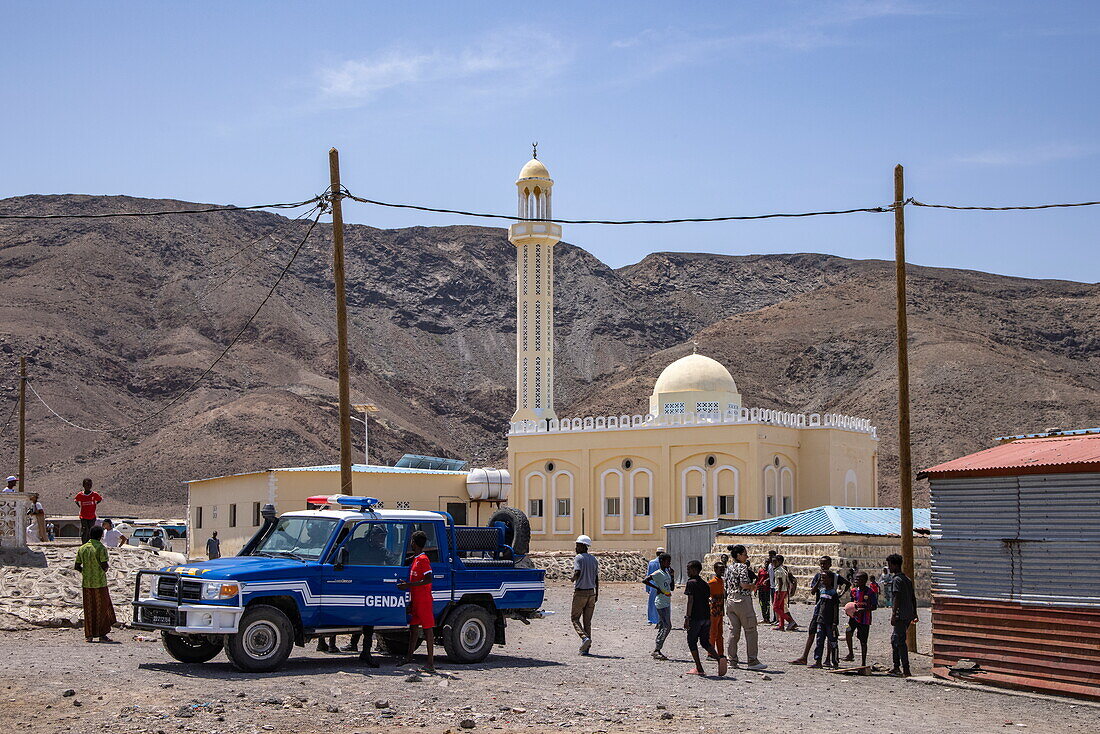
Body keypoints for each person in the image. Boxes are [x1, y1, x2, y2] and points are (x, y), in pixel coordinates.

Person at [791, 556, 850, 665]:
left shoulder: (834, 577)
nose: (823, 566)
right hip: (819, 609)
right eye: (821, 564)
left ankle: (827, 659)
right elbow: (813, 592)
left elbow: (848, 584)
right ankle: (806, 657)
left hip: (830, 611)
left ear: (830, 564)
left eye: (825, 564)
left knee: (829, 635)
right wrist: (819, 580)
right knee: (814, 632)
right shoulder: (819, 577)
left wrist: (840, 595)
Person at [397, 530, 436, 672]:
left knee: (427, 630)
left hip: (424, 600)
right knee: (413, 629)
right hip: (416, 600)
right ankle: (408, 657)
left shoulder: (423, 559)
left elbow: (428, 579)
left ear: (414, 542)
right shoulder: (416, 558)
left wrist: (408, 585)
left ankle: (431, 663)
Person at [723, 544, 767, 670]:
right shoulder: (742, 567)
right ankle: (752, 661)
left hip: (730, 601)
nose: (746, 556)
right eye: (744, 554)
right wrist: (752, 586)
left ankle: (732, 660)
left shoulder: (728, 568)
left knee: (733, 631)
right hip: (742, 600)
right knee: (751, 630)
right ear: (738, 555)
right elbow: (743, 584)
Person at [683, 560, 728, 676]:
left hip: (696, 617)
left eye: (689, 569)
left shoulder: (691, 583)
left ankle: (699, 667)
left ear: (695, 570)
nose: (687, 571)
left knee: (692, 641)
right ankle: (719, 659)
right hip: (706, 617)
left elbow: (690, 601)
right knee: (704, 641)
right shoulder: (704, 584)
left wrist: (687, 617)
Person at [74, 525, 116, 643]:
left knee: (89, 609)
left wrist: (86, 572)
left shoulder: (82, 548)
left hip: (87, 584)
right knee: (102, 608)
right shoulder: (101, 548)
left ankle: (89, 635)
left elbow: (77, 566)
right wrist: (102, 570)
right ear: (101, 535)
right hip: (100, 583)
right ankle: (102, 634)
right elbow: (104, 565)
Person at [887, 553, 918, 678]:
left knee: (900, 641)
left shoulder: (897, 580)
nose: (889, 567)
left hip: (901, 615)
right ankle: (896, 666)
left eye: (890, 565)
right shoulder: (907, 579)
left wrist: (894, 614)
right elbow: (913, 598)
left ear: (895, 565)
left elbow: (897, 598)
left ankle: (905, 669)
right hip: (908, 614)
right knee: (895, 640)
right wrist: (914, 613)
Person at [570, 534, 599, 655]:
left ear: (583, 546)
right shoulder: (594, 559)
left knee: (575, 618)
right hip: (591, 593)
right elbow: (597, 578)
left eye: (577, 545)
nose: (576, 548)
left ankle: (584, 638)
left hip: (580, 592)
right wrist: (597, 594)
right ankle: (586, 649)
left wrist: (573, 578)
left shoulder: (579, 558)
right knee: (587, 622)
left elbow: (577, 571)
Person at [643, 552, 674, 660]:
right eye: (667, 561)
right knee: (667, 626)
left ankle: (657, 649)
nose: (669, 563)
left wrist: (672, 576)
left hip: (667, 601)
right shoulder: (657, 573)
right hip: (661, 602)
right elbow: (645, 580)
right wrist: (657, 588)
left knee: (663, 625)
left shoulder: (666, 573)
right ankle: (657, 649)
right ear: (662, 562)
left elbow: (672, 587)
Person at [843, 572, 877, 667]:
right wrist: (848, 610)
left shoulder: (870, 592)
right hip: (853, 617)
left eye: (859, 579)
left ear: (865, 581)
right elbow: (851, 603)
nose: (857, 581)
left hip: (865, 619)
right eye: (856, 579)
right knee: (847, 630)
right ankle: (850, 653)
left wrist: (864, 610)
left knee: (863, 641)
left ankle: (863, 662)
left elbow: (874, 606)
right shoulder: (853, 591)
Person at [810, 572, 840, 669]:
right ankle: (818, 661)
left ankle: (834, 662)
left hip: (830, 622)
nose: (823, 580)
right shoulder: (822, 591)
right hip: (821, 620)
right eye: (822, 578)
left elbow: (835, 608)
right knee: (819, 641)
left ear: (830, 580)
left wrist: (835, 622)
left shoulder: (833, 593)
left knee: (833, 642)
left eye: (825, 578)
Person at [771, 555, 797, 631]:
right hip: (784, 590)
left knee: (775, 607)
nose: (773, 563)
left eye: (775, 562)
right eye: (772, 562)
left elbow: (780, 582)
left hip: (780, 590)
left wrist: (778, 592)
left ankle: (790, 621)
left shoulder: (778, 571)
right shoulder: (782, 569)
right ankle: (781, 625)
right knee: (781, 608)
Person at [707, 561, 726, 660]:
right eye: (720, 569)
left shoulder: (721, 581)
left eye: (723, 569)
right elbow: (706, 595)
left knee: (719, 633)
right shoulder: (712, 583)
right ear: (715, 570)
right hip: (713, 611)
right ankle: (710, 653)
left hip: (720, 611)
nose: (722, 571)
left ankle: (720, 653)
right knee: (713, 633)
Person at [74, 479, 102, 544]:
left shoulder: (94, 494)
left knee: (91, 531)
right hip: (83, 516)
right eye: (87, 485)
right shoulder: (80, 495)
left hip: (92, 516)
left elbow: (99, 499)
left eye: (90, 485)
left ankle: (90, 543)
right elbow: (76, 500)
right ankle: (84, 543)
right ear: (84, 485)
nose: (89, 486)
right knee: (84, 530)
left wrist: (95, 504)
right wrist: (79, 506)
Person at [645, 547, 665, 625]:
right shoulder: (664, 563)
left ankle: (651, 619)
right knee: (662, 603)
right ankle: (660, 620)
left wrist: (647, 588)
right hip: (662, 585)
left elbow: (648, 575)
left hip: (653, 585)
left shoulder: (651, 563)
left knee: (652, 603)